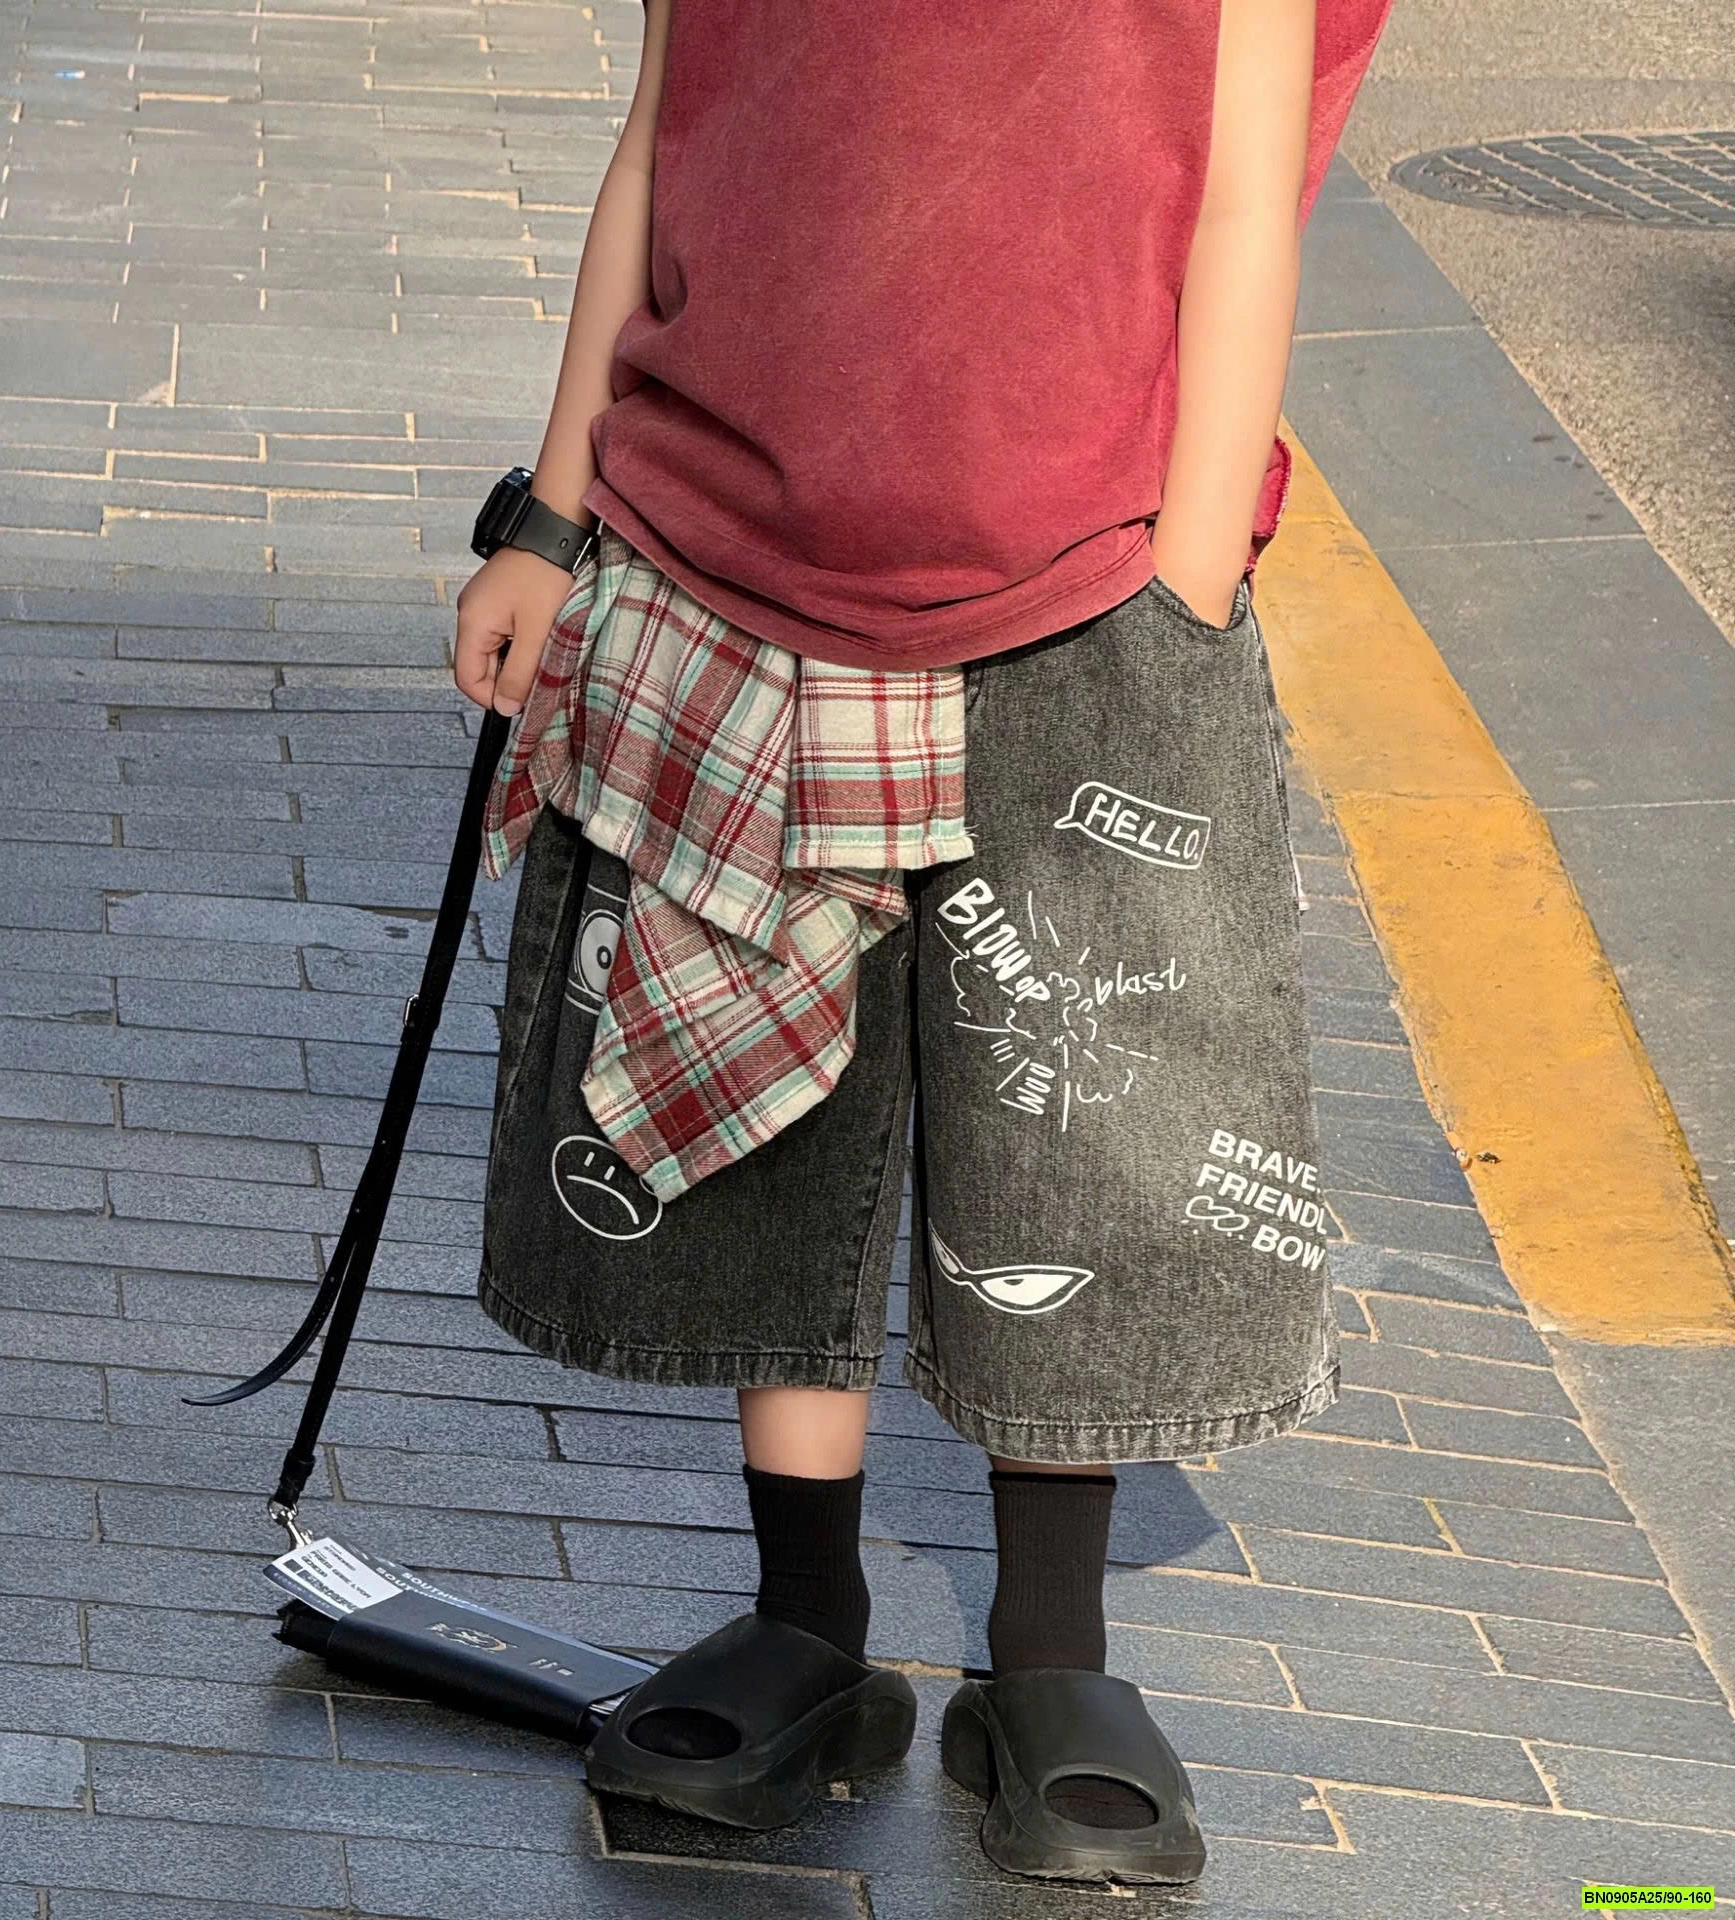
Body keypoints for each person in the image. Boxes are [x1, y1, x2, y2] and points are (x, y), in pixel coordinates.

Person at [451, 0, 1392, 1885]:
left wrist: (1192, 569)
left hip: (1092, 576)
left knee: (1076, 1117)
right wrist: (550, 522)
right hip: (719, 542)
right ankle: (805, 1615)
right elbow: (662, 142)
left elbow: (1240, 196)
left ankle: (1051, 1653)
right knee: (755, 1079)